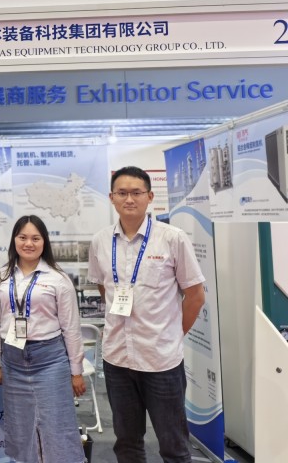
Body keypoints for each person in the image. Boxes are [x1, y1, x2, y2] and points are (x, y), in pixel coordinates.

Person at [88, 166, 205, 463]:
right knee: (127, 444)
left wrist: (173, 334)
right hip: (117, 359)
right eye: (122, 193)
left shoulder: (172, 238)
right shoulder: (100, 241)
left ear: (150, 197)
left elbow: (195, 296)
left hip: (161, 360)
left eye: (136, 192)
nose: (129, 199)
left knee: (174, 446)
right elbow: (105, 288)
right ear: (112, 197)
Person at [0, 214, 85, 463]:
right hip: (12, 360)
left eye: (35, 238)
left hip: (50, 359)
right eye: (23, 237)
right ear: (14, 240)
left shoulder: (58, 278)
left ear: (44, 242)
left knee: (57, 425)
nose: (28, 243)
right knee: (21, 429)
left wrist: (76, 371)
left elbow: (71, 328)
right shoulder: (0, 277)